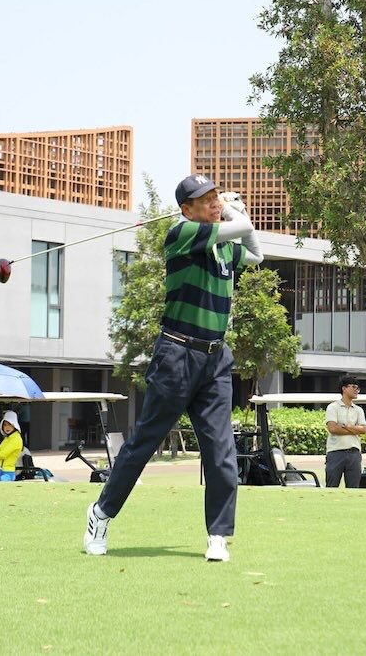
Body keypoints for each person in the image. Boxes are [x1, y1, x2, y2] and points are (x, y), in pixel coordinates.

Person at [84, 174, 263, 562]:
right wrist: (234, 214)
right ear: (187, 209)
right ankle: (100, 514)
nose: (214, 202)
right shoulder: (181, 233)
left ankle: (218, 534)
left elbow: (256, 253)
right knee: (144, 443)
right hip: (177, 355)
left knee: (221, 449)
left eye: (216, 196)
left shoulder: (222, 247)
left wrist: (234, 214)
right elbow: (243, 228)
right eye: (206, 200)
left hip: (215, 358)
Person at [324, 375, 366, 488]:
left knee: (354, 488)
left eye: (357, 388)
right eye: (353, 387)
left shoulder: (358, 410)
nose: (356, 390)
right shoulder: (333, 407)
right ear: (344, 388)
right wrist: (354, 429)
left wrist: (346, 426)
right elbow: (333, 428)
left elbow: (363, 429)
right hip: (335, 452)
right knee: (332, 486)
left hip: (354, 453)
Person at [0, 410, 23, 481]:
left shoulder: (16, 439)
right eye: (5, 425)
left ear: (14, 425)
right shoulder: (8, 438)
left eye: (10, 424)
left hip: (7, 473)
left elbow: (1, 455)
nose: (7, 427)